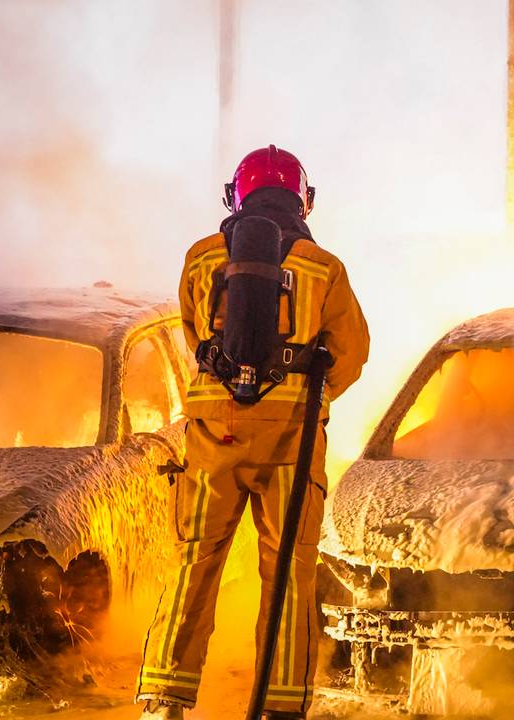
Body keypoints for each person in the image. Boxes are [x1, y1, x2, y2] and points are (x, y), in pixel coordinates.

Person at [137, 145, 370, 720]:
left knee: (195, 559)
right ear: (303, 201)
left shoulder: (200, 259)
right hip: (290, 440)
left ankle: (163, 699)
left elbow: (194, 335)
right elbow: (351, 355)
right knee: (289, 569)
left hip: (213, 436)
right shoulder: (323, 267)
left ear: (235, 197)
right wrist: (307, 396)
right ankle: (279, 703)